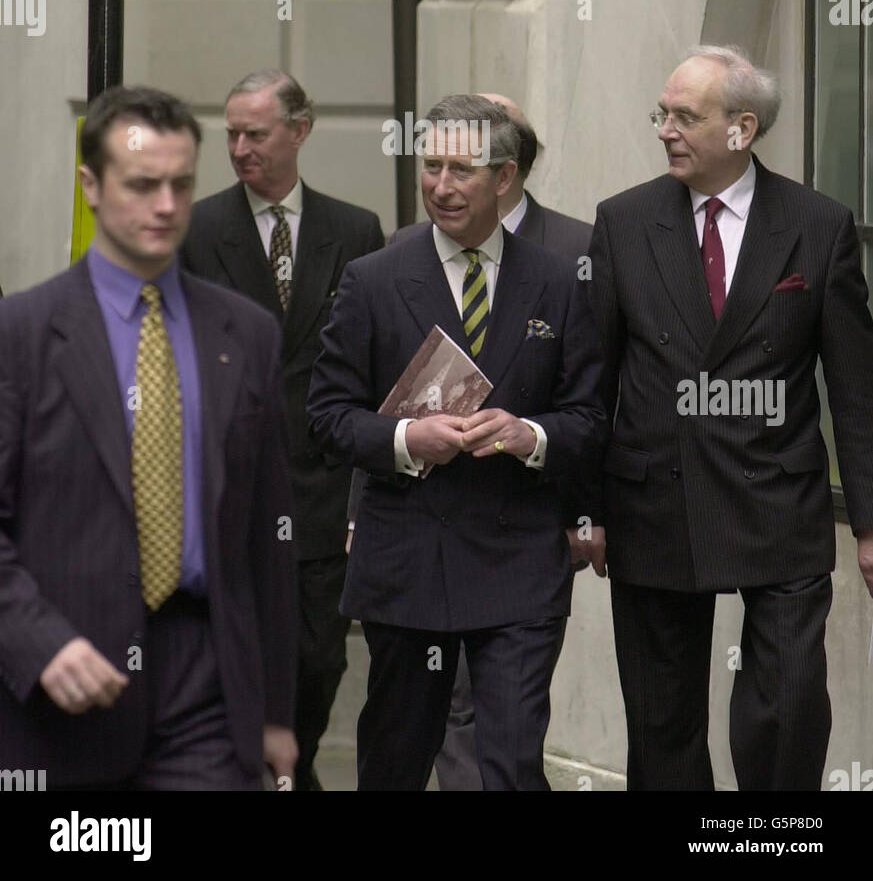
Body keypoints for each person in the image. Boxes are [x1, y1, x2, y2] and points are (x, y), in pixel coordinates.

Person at [590, 45, 873, 792]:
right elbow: (591, 382)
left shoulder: (818, 225)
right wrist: (582, 508)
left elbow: (854, 388)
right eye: (662, 114)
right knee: (662, 719)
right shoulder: (622, 223)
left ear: (741, 129)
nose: (664, 130)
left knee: (784, 707)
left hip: (776, 498)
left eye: (685, 116)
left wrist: (869, 524)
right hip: (653, 497)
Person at [0, 86, 297, 790]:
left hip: (207, 685)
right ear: (91, 186)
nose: (166, 206)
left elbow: (268, 537)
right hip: (64, 682)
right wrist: (36, 641)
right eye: (142, 185)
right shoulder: (24, 335)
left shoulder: (246, 334)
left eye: (181, 185)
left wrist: (276, 711)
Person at [308, 94, 608, 791]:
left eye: (459, 170)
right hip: (407, 560)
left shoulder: (559, 283)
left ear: (503, 178)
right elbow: (326, 415)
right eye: (430, 165)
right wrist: (409, 438)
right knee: (395, 761)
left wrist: (526, 434)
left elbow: (590, 420)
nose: (439, 185)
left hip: (519, 564)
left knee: (508, 764)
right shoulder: (373, 278)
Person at [180, 69, 383, 792]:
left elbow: (372, 359)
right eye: (230, 134)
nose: (239, 149)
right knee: (236, 652)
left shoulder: (353, 230)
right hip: (228, 486)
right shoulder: (198, 229)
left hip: (323, 490)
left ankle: (283, 764)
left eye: (254, 133)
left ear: (299, 130)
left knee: (320, 657)